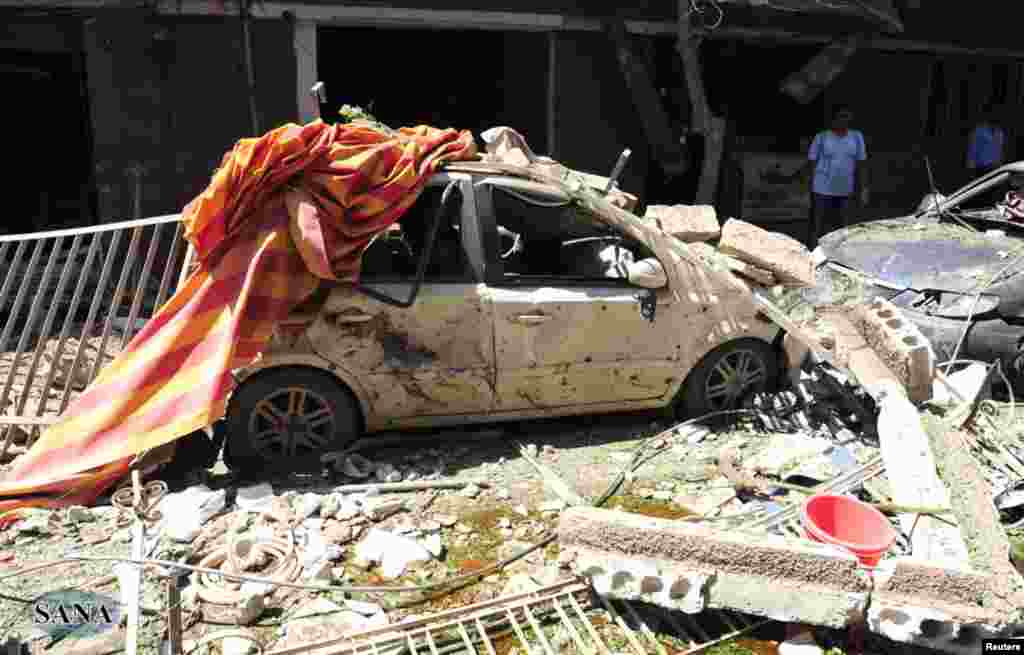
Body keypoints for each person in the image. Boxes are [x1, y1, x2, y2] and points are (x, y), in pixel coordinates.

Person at [790, 106, 869, 247]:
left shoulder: (857, 137)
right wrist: (806, 184)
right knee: (817, 223)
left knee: (843, 225)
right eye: (841, 116)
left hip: (845, 187)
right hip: (821, 187)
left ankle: (840, 253)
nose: (844, 120)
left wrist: (864, 188)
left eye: (847, 116)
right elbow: (812, 162)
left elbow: (862, 164)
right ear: (833, 119)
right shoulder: (822, 137)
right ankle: (812, 250)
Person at [967, 106, 1006, 179]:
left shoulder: (999, 132)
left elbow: (1000, 149)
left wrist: (1001, 164)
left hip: (996, 168)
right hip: (981, 168)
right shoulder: (979, 130)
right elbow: (972, 150)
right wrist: (971, 168)